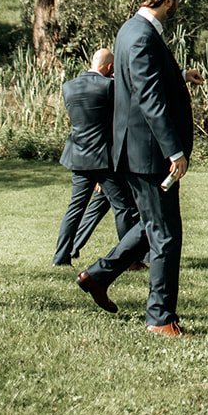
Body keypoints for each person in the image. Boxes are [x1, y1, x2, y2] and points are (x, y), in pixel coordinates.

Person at [76, 0, 199, 336]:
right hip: (148, 154)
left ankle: (98, 276)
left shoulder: (129, 30)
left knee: (150, 226)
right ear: (169, 0)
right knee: (165, 235)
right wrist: (174, 150)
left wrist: (181, 77)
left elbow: (146, 81)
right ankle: (160, 318)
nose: (176, 6)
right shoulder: (145, 36)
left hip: (133, 150)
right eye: (176, 0)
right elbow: (149, 98)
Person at [52, 47, 139, 267]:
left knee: (75, 207)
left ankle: (61, 257)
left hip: (78, 156)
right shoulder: (108, 87)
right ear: (110, 67)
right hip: (102, 158)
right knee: (123, 207)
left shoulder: (68, 87)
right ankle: (129, 259)